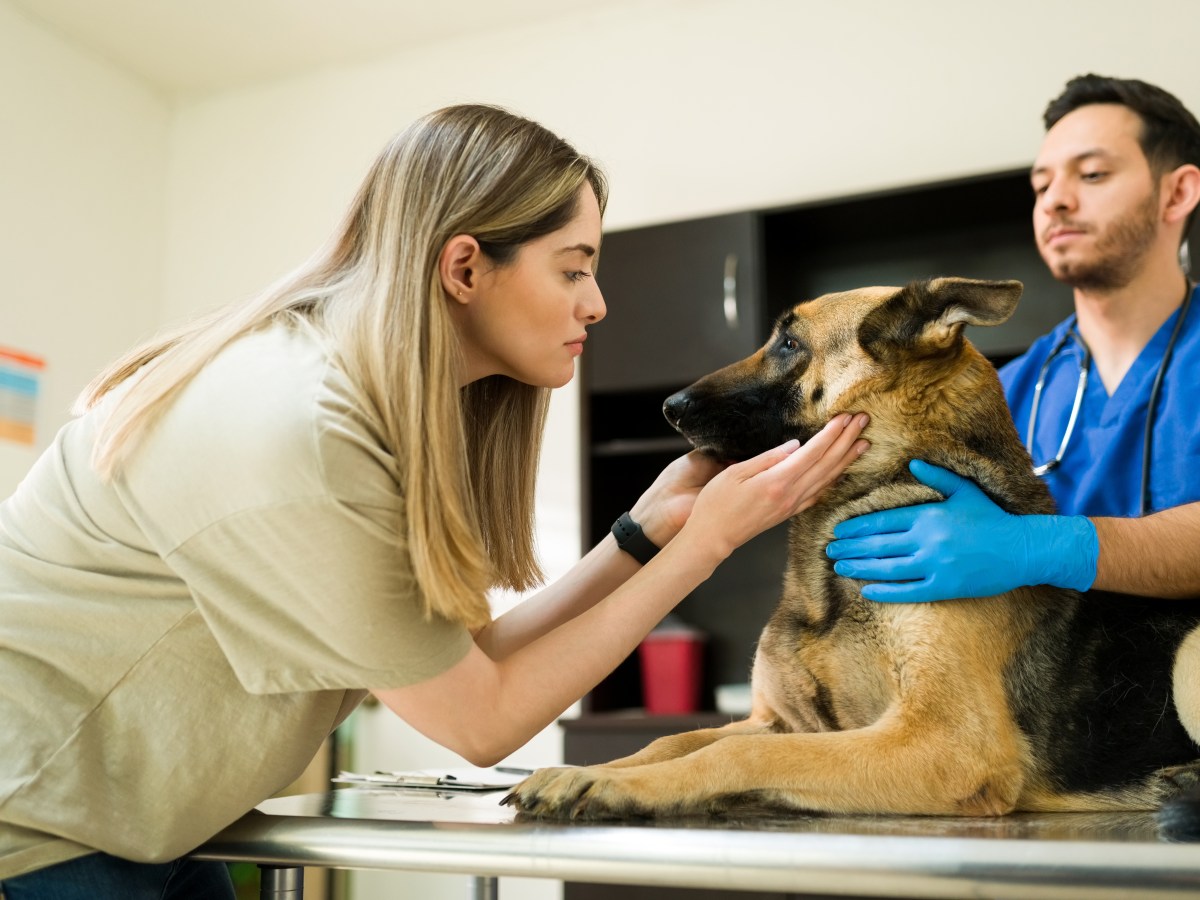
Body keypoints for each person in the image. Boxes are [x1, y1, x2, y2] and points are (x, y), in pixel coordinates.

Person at [0, 104, 869, 899]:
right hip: (38, 831)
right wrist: (703, 547)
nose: (596, 303)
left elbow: (468, 666)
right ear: (464, 266)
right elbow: (480, 719)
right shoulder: (294, 428)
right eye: (574, 270)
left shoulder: (351, 407)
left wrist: (642, 535)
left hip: (147, 832)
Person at [825, 74, 1200, 603]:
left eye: (1091, 174)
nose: (1055, 202)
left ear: (1177, 192)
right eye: (1042, 185)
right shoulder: (1009, 390)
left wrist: (1045, 548)